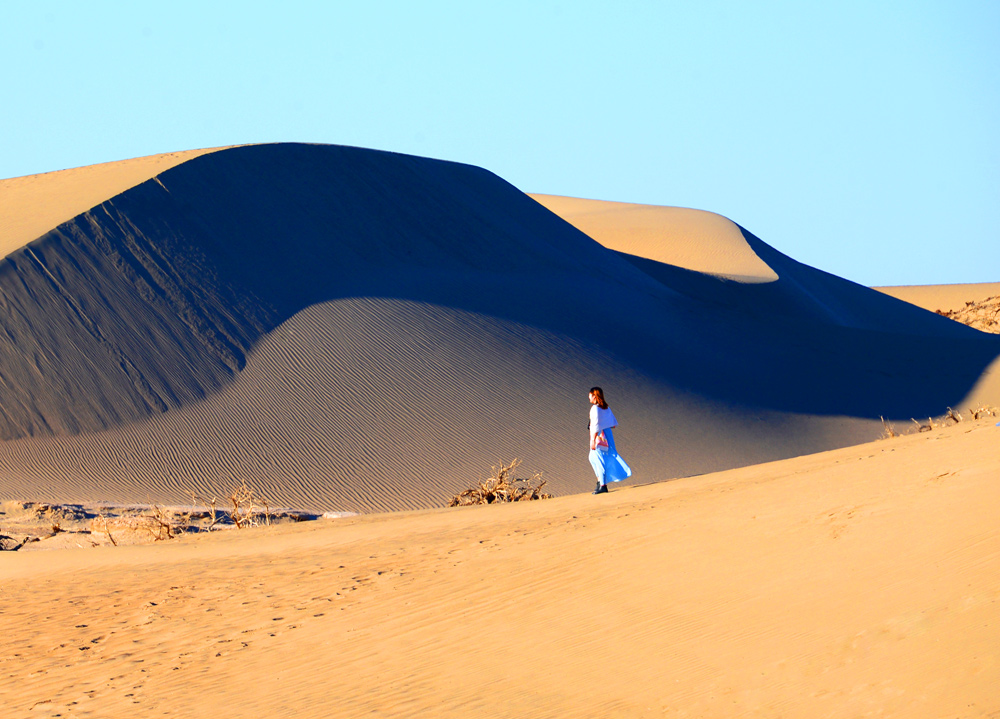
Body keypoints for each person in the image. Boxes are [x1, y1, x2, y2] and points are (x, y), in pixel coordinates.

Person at [588, 386, 632, 494]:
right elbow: (613, 423)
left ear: (594, 396)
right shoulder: (605, 407)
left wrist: (593, 439)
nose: (589, 398)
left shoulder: (595, 408)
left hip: (598, 436)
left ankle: (602, 485)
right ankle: (600, 482)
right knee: (593, 457)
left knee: (597, 459)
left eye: (590, 396)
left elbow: (595, 425)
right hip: (607, 435)